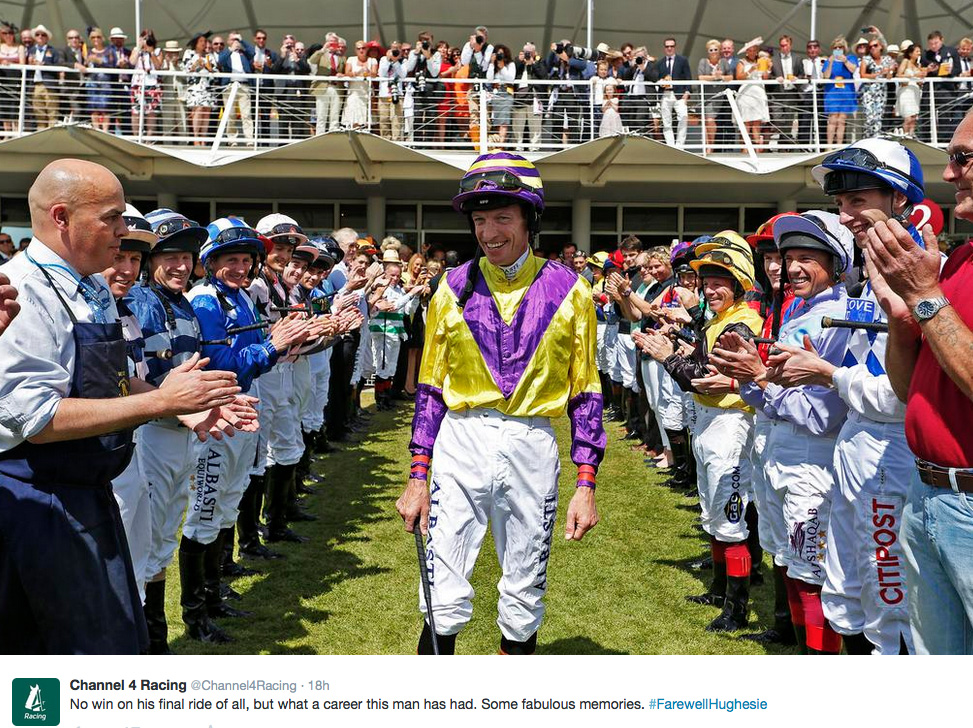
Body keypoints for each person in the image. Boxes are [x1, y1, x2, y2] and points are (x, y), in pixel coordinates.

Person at [0, 159, 245, 653]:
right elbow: (37, 419)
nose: (124, 232)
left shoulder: (90, 285)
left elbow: (111, 378)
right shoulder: (22, 290)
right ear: (62, 217)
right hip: (41, 502)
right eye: (111, 219)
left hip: (88, 491)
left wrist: (182, 408)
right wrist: (159, 400)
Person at [396, 152, 604, 655]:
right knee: (441, 586)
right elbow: (430, 388)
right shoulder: (449, 287)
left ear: (529, 220)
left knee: (524, 583)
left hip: (533, 440)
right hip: (461, 438)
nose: (489, 232)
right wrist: (418, 474)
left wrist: (585, 483)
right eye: (480, 219)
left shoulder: (572, 291)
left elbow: (586, 391)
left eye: (502, 218)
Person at [862, 111, 973, 653]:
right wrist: (900, 316)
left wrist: (925, 295)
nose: (949, 174)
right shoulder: (960, 261)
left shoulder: (941, 275)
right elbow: (909, 391)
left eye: (963, 158)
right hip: (926, 494)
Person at [698, 39, 733, 154]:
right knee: (709, 120)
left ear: (719, 51)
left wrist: (721, 77)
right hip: (707, 95)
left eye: (715, 50)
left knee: (713, 121)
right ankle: (710, 146)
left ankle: (710, 145)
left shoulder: (723, 62)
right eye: (711, 50)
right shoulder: (703, 61)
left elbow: (730, 77)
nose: (713, 52)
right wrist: (714, 77)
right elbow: (700, 77)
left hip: (720, 96)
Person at [656, 37, 692, 148]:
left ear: (675, 47)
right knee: (666, 122)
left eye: (671, 46)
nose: (669, 48)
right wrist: (659, 83)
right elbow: (656, 78)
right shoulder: (660, 63)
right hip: (665, 94)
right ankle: (671, 146)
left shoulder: (683, 60)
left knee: (683, 117)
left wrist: (687, 93)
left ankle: (679, 145)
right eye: (667, 46)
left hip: (680, 94)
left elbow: (688, 77)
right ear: (664, 48)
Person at [822, 36, 858, 146]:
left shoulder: (850, 58)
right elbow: (826, 76)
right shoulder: (828, 61)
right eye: (835, 47)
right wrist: (831, 62)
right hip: (832, 93)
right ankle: (829, 146)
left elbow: (853, 69)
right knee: (832, 119)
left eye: (840, 47)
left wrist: (845, 61)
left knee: (842, 120)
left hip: (846, 93)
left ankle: (839, 145)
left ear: (844, 48)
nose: (838, 49)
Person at [182, 33, 217, 146]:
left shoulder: (209, 56)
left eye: (205, 41)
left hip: (207, 88)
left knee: (206, 111)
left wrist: (209, 68)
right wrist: (196, 64)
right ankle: (196, 137)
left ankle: (203, 138)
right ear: (196, 43)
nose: (204, 43)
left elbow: (215, 73)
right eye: (201, 41)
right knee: (198, 110)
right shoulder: (189, 53)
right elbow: (185, 69)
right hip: (195, 88)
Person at [736, 40, 770, 151]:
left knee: (756, 125)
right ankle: (744, 151)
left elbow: (765, 77)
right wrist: (751, 70)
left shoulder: (761, 61)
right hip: (746, 95)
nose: (752, 52)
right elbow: (739, 77)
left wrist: (767, 68)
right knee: (746, 125)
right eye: (750, 50)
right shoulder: (742, 62)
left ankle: (757, 151)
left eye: (754, 50)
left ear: (757, 51)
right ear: (746, 52)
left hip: (758, 95)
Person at [309, 34, 346, 134]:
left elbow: (345, 71)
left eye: (335, 41)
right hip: (323, 87)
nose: (333, 43)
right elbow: (311, 60)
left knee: (335, 116)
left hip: (336, 87)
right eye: (331, 41)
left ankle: (333, 136)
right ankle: (319, 137)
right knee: (321, 115)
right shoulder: (321, 54)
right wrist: (323, 49)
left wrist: (342, 74)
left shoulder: (341, 57)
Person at [859, 38, 896, 138]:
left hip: (881, 92)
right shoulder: (866, 59)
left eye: (875, 45)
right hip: (868, 92)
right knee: (870, 118)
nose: (872, 48)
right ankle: (867, 140)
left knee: (878, 118)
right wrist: (878, 74)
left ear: (880, 47)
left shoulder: (886, 59)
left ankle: (876, 140)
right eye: (870, 46)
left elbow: (893, 68)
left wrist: (890, 72)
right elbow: (862, 74)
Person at [895, 42, 925, 138]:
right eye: (917, 51)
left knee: (913, 117)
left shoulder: (918, 65)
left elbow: (920, 81)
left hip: (915, 91)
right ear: (910, 53)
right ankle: (905, 136)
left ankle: (911, 136)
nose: (919, 53)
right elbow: (899, 74)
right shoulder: (905, 61)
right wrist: (912, 75)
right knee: (908, 117)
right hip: (906, 91)